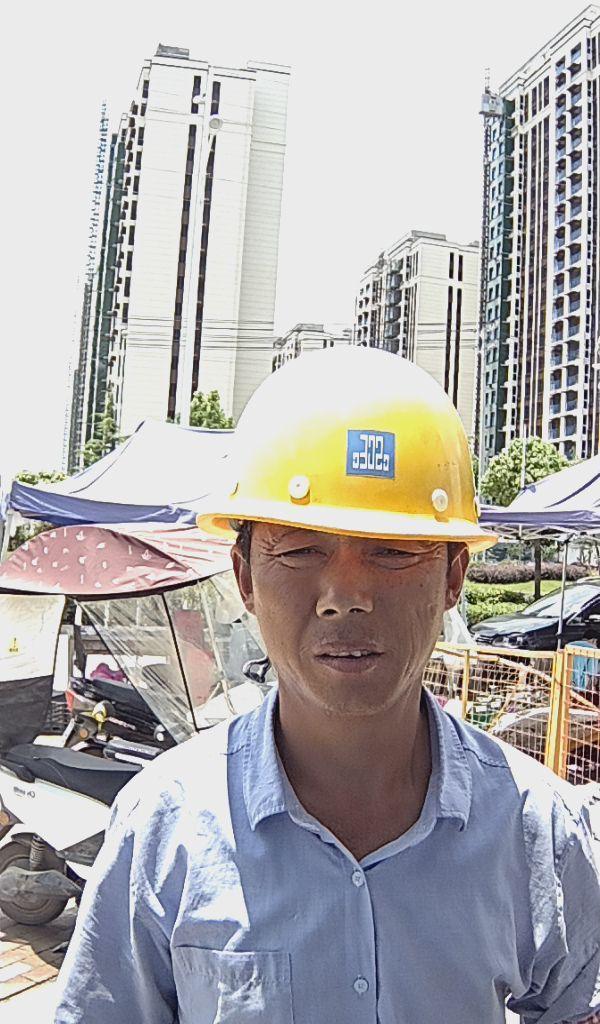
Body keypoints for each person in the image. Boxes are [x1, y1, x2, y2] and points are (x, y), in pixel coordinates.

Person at [54, 348, 600, 1024]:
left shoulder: (538, 830)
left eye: (392, 550)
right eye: (300, 549)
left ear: (453, 576)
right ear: (245, 577)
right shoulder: (163, 827)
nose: (345, 595)